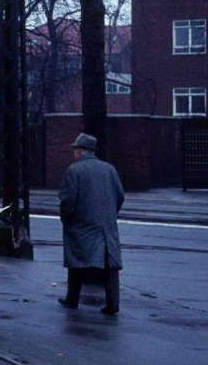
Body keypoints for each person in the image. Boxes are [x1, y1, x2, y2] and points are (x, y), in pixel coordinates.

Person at [57, 133, 125, 315]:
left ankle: (72, 298)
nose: (73, 152)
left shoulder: (74, 170)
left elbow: (67, 201)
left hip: (80, 225)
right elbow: (120, 196)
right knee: (111, 264)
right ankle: (113, 303)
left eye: (75, 149)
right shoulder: (110, 169)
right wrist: (109, 215)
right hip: (106, 225)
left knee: (76, 260)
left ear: (80, 151)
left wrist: (66, 218)